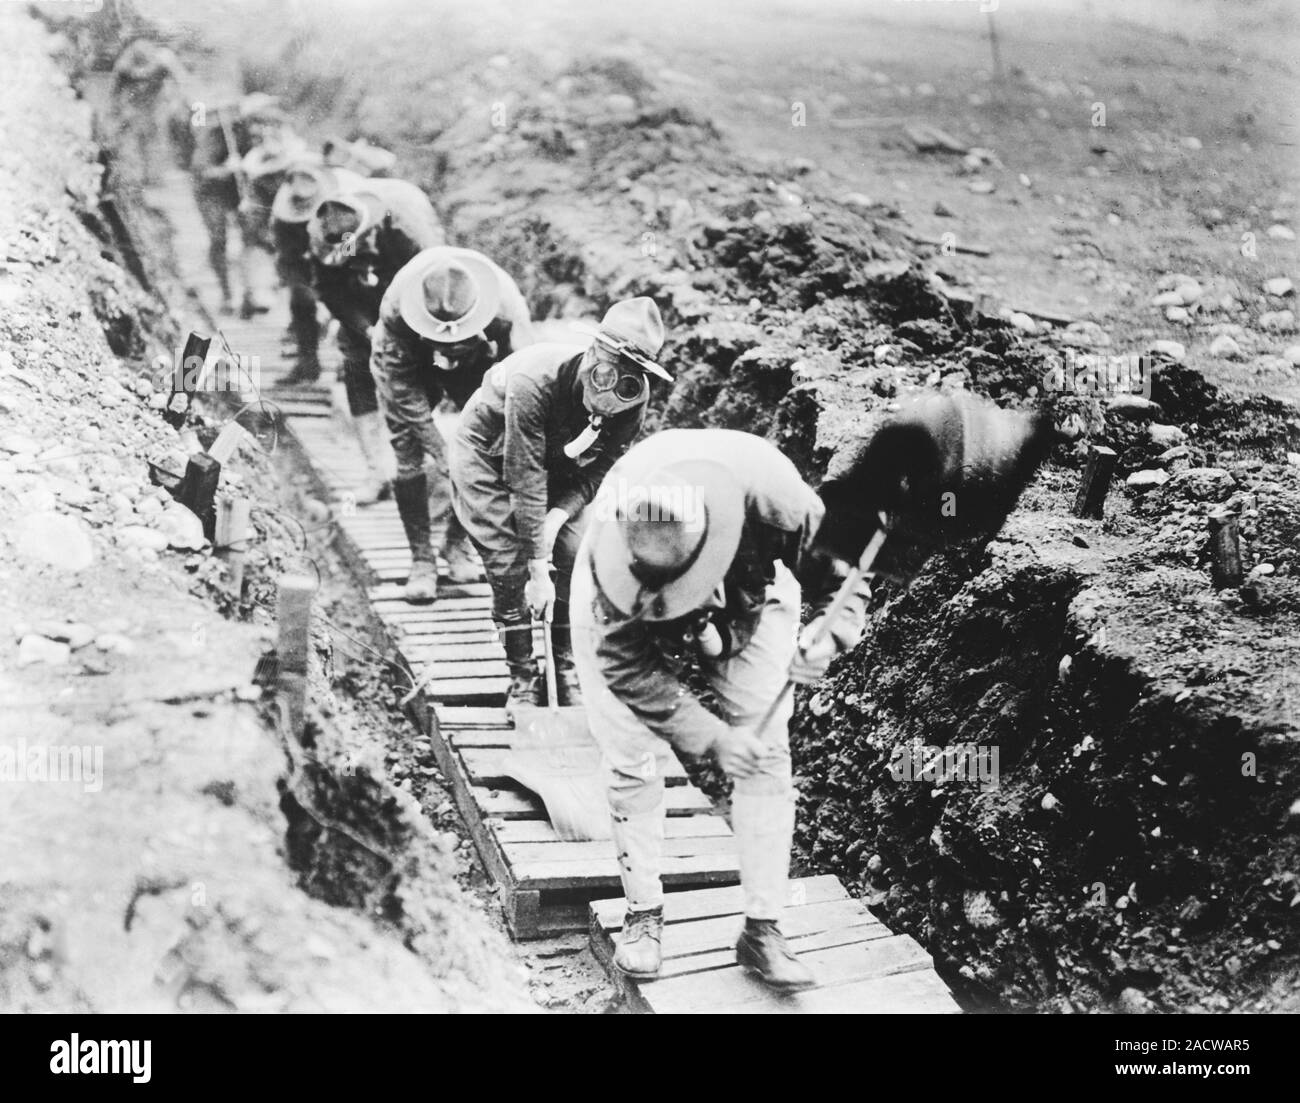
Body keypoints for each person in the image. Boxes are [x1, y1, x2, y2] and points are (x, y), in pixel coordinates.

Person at [571, 428, 874, 991]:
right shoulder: (611, 567)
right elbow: (628, 668)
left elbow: (848, 575)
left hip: (754, 597)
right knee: (629, 752)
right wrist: (711, 739)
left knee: (766, 749)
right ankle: (643, 914)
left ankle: (763, 929)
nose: (696, 597)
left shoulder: (778, 501)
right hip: (634, 620)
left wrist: (830, 635)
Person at [447, 298, 670, 711]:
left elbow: (602, 469)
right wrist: (536, 566)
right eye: (603, 374)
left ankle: (563, 665)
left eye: (626, 382)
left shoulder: (633, 404)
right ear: (589, 356)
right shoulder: (535, 380)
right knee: (506, 561)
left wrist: (558, 517)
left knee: (575, 549)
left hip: (559, 463)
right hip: (489, 452)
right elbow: (523, 475)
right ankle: (522, 676)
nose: (610, 388)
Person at [371, 247, 538, 598]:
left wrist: (482, 449)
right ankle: (421, 560)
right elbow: (405, 397)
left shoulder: (507, 312)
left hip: (478, 364)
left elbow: (517, 387)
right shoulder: (397, 310)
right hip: (410, 363)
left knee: (488, 452)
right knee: (407, 451)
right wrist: (441, 451)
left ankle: (456, 544)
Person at [306, 180, 448, 502]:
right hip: (364, 315)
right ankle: (376, 472)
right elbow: (329, 290)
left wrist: (401, 332)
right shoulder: (325, 233)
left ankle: (416, 466)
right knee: (358, 373)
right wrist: (365, 329)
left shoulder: (406, 235)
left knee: (417, 384)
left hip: (412, 311)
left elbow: (432, 285)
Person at [185, 92, 291, 317]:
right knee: (218, 238)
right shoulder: (219, 133)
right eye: (257, 122)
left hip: (241, 192)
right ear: (247, 119)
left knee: (252, 237)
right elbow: (201, 170)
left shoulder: (268, 137)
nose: (261, 128)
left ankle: (250, 294)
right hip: (211, 192)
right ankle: (226, 294)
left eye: (265, 122)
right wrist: (227, 168)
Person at [269, 158, 366, 384]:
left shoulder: (341, 204)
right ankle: (307, 365)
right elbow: (287, 257)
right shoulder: (284, 215)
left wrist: (342, 269)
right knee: (301, 302)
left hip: (339, 256)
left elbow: (350, 243)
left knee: (348, 304)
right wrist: (303, 286)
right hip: (305, 258)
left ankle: (350, 364)